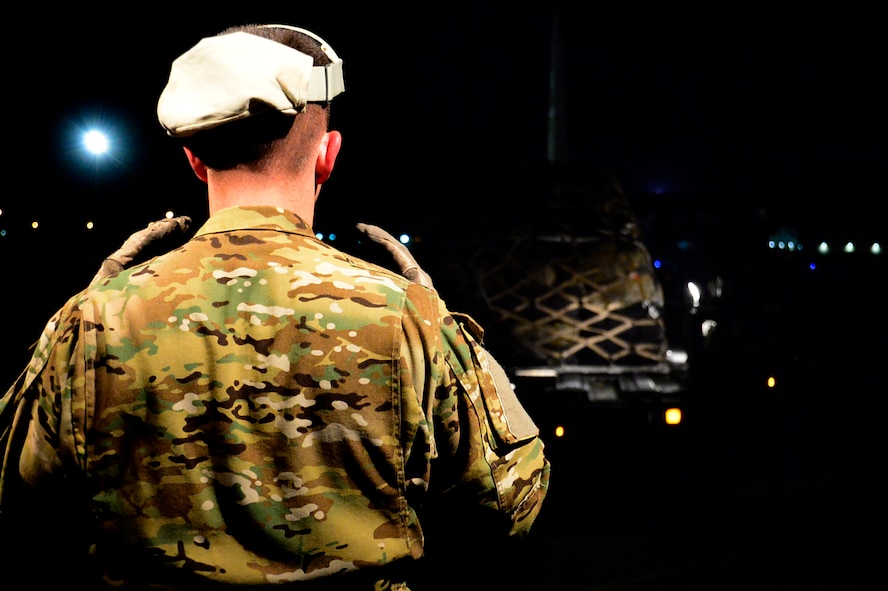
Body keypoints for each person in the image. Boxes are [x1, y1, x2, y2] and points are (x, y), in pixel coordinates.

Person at [0, 23, 550, 590]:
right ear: (327, 154)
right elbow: (514, 504)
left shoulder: (94, 321)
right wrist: (446, 331)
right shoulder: (404, 315)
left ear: (194, 158)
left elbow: (19, 509)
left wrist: (83, 315)